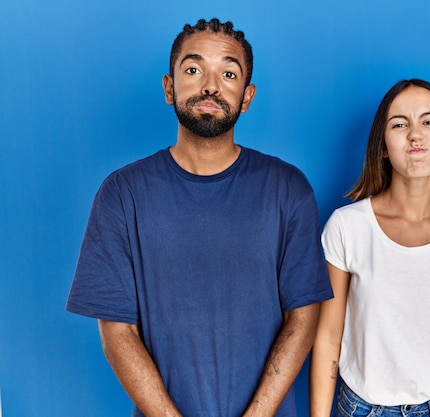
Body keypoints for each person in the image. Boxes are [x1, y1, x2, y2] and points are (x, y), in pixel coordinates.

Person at [66, 18, 333, 417]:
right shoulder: (121, 194)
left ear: (246, 97)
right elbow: (118, 332)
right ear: (169, 87)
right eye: (193, 70)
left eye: (228, 73)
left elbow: (304, 316)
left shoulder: (288, 189)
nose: (210, 85)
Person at [310, 79, 430, 417]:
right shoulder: (348, 227)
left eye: (429, 122)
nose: (415, 134)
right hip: (363, 408)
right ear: (384, 146)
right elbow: (328, 335)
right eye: (400, 124)